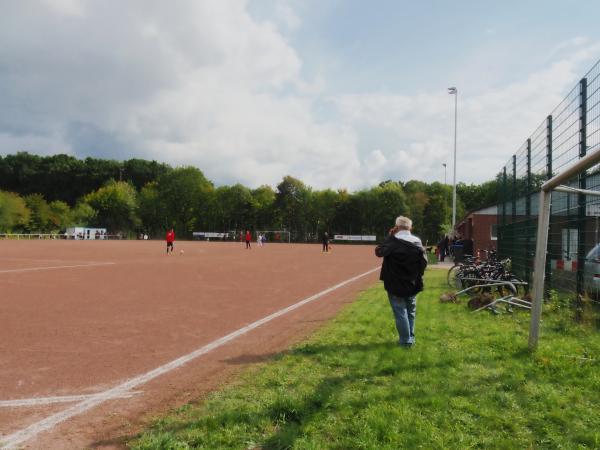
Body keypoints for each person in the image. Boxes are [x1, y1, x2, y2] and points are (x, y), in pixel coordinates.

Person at [375, 216, 427, 348]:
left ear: (396, 227)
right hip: (413, 282)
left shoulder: (393, 241)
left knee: (400, 312)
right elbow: (424, 262)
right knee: (410, 311)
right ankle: (410, 338)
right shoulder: (417, 241)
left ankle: (405, 341)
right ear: (410, 227)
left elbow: (379, 251)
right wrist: (416, 275)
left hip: (395, 283)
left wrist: (389, 237)